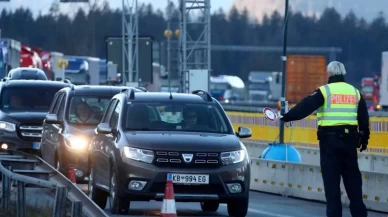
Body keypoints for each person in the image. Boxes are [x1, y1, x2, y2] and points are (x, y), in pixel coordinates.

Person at [279, 61, 369, 217]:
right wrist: (364, 139)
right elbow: (364, 119)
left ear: (329, 74)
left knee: (332, 183)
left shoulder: (325, 91)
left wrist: (287, 117)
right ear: (343, 73)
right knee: (353, 180)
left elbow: (305, 107)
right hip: (349, 142)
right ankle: (359, 213)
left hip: (330, 143)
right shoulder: (355, 92)